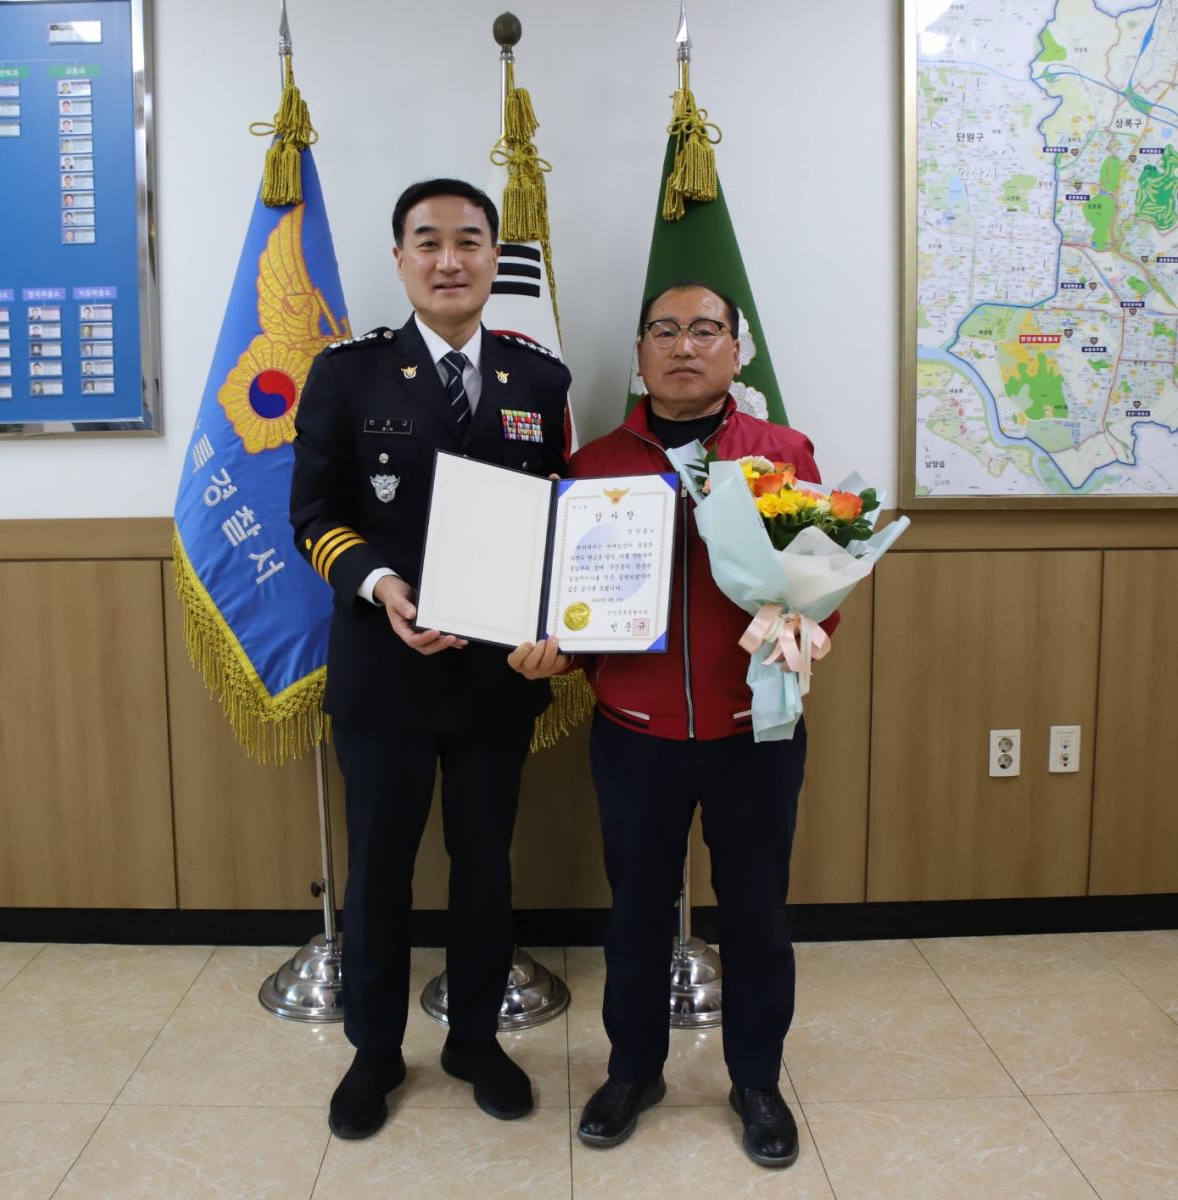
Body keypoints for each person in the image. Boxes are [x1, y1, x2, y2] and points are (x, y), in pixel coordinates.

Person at [508, 281, 839, 1170]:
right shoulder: (595, 466)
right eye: (664, 330)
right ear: (640, 355)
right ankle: (634, 1071)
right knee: (635, 917)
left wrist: (813, 626)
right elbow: (575, 609)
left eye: (705, 329)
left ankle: (757, 1079)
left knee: (760, 918)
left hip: (753, 734)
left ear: (737, 351)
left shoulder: (780, 452)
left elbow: (821, 576)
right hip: (633, 736)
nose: (683, 345)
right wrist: (555, 655)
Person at [289, 178, 570, 1140]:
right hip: (384, 672)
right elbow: (315, 516)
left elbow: (560, 524)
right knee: (378, 873)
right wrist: (380, 587)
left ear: (497, 257)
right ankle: (373, 1051)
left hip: (498, 677)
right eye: (427, 242)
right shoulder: (348, 373)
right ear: (400, 258)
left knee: (484, 866)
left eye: (469, 241)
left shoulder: (541, 380)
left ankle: (473, 1039)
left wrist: (556, 624)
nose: (449, 260)